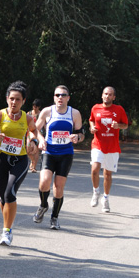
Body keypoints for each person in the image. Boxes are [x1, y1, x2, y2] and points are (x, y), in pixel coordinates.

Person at [0, 81, 39, 246]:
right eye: (11, 98)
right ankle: (8, 226)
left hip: (19, 160)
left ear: (23, 101)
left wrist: (32, 141)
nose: (14, 102)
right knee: (2, 197)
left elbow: (33, 130)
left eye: (18, 99)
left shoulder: (27, 118)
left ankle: (6, 231)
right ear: (7, 99)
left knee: (9, 194)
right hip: (1, 158)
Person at [32, 85, 84, 230]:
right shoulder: (47, 111)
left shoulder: (75, 113)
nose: (60, 97)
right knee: (44, 183)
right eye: (57, 95)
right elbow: (35, 129)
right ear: (54, 97)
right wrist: (41, 140)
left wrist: (77, 137)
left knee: (58, 188)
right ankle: (43, 205)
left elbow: (81, 134)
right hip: (49, 152)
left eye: (63, 95)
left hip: (66, 154)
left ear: (68, 97)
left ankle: (54, 217)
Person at [88, 86, 129, 213]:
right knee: (95, 169)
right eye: (105, 94)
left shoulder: (119, 109)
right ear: (102, 95)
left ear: (114, 97)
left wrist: (118, 126)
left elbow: (125, 124)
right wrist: (92, 128)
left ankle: (105, 198)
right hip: (98, 144)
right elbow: (91, 121)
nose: (107, 96)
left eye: (110, 94)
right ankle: (96, 192)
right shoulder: (95, 108)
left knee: (107, 174)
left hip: (112, 146)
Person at [27, 99, 42, 173]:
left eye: (36, 106)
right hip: (29, 133)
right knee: (28, 149)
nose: (34, 107)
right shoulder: (29, 113)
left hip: (38, 133)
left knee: (36, 151)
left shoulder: (41, 114)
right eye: (33, 106)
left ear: (38, 107)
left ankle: (34, 166)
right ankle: (32, 161)